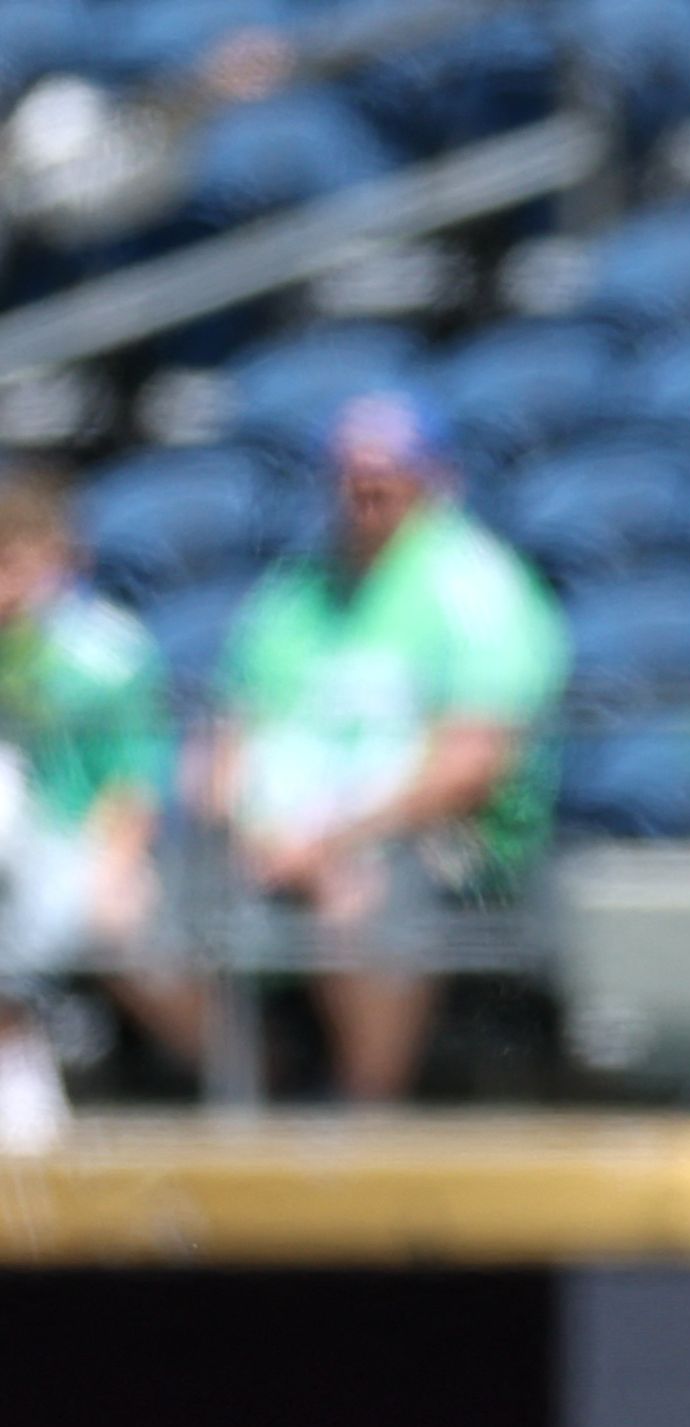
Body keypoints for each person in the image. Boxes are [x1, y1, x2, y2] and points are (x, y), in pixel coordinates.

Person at [173, 391, 566, 1103]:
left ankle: (364, 1112)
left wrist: (331, 841)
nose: (365, 492)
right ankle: (264, 1090)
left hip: (437, 838)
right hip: (280, 835)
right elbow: (223, 744)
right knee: (145, 901)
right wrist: (260, 833)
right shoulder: (292, 594)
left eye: (386, 476)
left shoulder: (476, 588)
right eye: (350, 476)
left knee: (360, 896)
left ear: (432, 479)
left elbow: (470, 766)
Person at [0, 464, 170, 1151]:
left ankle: (244, 1071)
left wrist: (114, 867)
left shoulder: (106, 653)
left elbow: (135, 783)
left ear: (59, 559)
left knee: (121, 922)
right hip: (15, 858)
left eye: (14, 561)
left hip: (89, 847)